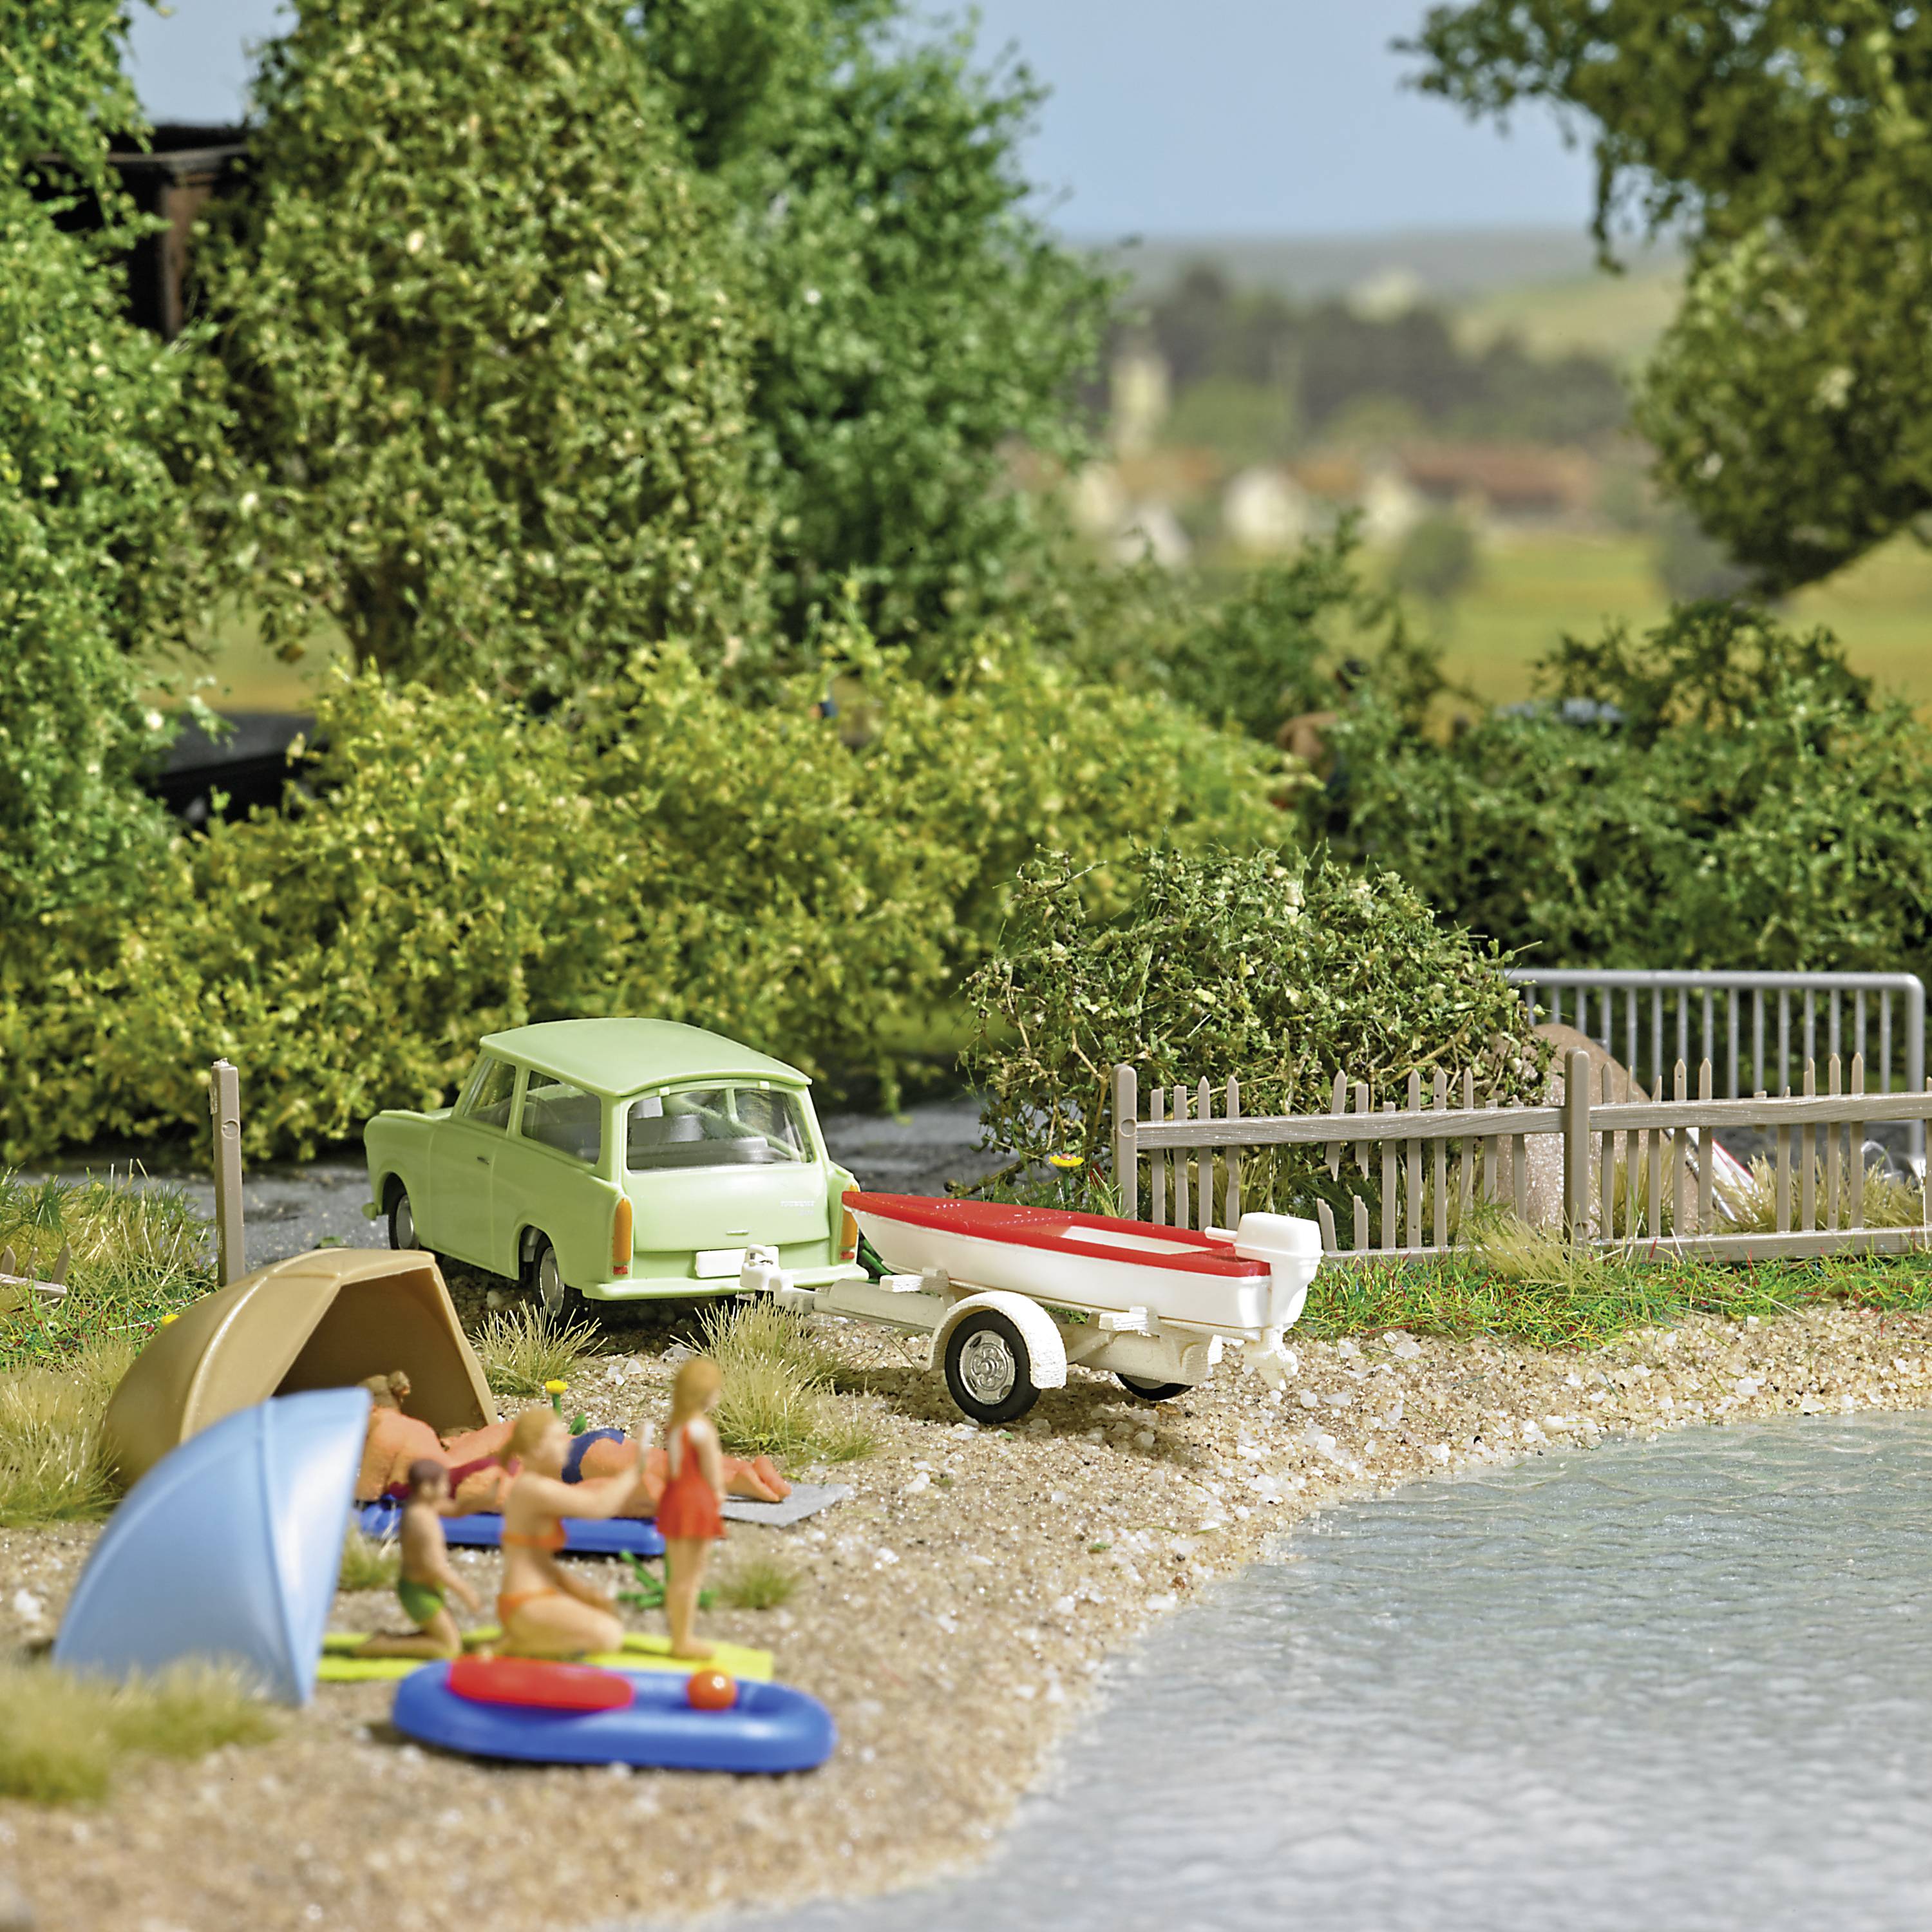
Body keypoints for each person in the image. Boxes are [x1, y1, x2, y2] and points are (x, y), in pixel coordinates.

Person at [495, 1407, 642, 1658]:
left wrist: (581, 1592)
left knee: (609, 1619)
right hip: (525, 1602)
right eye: (557, 1439)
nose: (565, 1446)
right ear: (537, 1448)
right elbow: (597, 1508)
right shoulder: (532, 1489)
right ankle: (516, 1648)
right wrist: (634, 1474)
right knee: (609, 1635)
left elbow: (541, 1563)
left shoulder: (536, 1486)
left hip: (537, 1596)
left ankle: (523, 1641)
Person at [357, 1459, 480, 1660]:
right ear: (426, 1488)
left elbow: (457, 1510)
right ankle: (384, 1645)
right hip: (418, 1591)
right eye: (443, 1484)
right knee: (449, 1649)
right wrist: (464, 1591)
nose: (447, 1488)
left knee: (443, 1635)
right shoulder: (420, 1520)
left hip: (427, 1587)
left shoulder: (426, 1505)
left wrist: (484, 1501)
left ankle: (399, 1640)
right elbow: (435, 1567)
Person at [658, 1358, 728, 1660]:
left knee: (677, 1577)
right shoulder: (702, 1429)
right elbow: (713, 1474)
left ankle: (678, 1636)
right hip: (696, 1501)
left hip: (674, 1499)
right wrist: (719, 1496)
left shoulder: (675, 1426)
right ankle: (684, 1640)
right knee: (692, 1577)